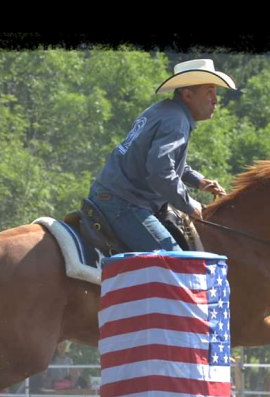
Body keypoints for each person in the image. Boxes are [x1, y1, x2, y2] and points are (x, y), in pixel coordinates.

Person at [88, 59, 235, 252]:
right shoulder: (177, 121)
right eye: (209, 92)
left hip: (110, 194)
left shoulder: (163, 111)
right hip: (125, 203)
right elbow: (161, 172)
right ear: (188, 95)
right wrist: (191, 205)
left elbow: (164, 161)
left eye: (215, 92)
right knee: (177, 263)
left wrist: (199, 181)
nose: (215, 99)